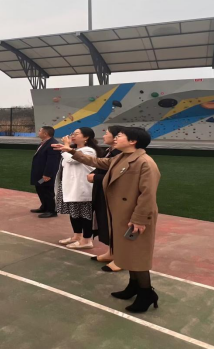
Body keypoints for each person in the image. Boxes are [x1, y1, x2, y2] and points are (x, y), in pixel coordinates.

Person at [53, 127, 161, 313]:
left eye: (120, 136)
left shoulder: (145, 162)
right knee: (127, 253)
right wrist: (72, 151)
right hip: (121, 215)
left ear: (133, 141)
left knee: (137, 256)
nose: (116, 138)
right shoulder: (120, 158)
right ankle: (134, 286)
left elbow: (148, 195)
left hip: (135, 218)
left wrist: (140, 219)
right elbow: (96, 161)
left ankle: (146, 293)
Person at [55, 128, 102, 250]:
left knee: (85, 215)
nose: (72, 136)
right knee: (74, 213)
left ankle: (87, 240)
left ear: (86, 137)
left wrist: (66, 146)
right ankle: (77, 236)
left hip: (82, 188)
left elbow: (71, 159)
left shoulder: (89, 150)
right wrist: (66, 148)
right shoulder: (75, 150)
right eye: (72, 134)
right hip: (70, 187)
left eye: (76, 134)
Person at [88, 126, 124, 272]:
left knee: (115, 225)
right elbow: (100, 166)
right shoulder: (109, 152)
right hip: (103, 193)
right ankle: (111, 252)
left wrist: (96, 177)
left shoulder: (121, 155)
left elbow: (119, 178)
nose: (103, 136)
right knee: (105, 222)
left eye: (107, 133)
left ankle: (121, 259)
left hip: (114, 196)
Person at [30, 126, 61, 218]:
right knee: (40, 188)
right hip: (40, 174)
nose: (38, 132)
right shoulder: (44, 143)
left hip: (46, 175)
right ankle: (44, 207)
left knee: (48, 191)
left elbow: (52, 161)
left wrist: (47, 174)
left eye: (40, 131)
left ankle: (51, 211)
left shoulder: (52, 144)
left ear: (45, 133)